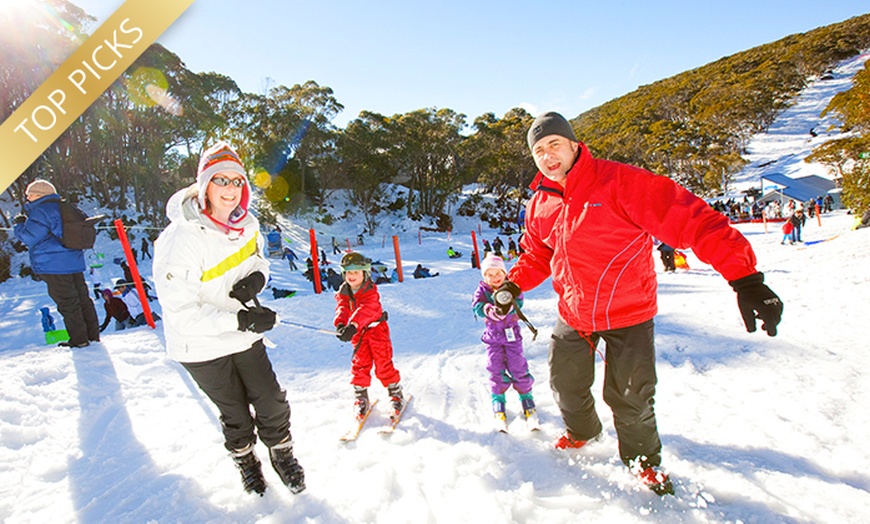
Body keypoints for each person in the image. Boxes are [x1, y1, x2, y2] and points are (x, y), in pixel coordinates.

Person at [505, 112, 783, 496]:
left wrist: (746, 279)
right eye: (539, 150)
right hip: (574, 311)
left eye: (554, 144)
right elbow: (537, 254)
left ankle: (642, 461)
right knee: (564, 383)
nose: (548, 156)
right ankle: (583, 431)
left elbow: (694, 221)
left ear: (573, 144)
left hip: (628, 312)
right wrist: (511, 285)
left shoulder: (620, 182)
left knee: (632, 396)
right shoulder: (540, 203)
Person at [152, 141, 304, 496]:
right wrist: (239, 322)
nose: (230, 190)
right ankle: (246, 461)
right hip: (200, 344)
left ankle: (281, 451)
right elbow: (182, 313)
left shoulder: (247, 225)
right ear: (204, 186)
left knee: (270, 397)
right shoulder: (180, 238)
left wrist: (257, 278)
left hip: (240, 328)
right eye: (221, 180)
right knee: (234, 411)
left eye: (237, 182)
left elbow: (259, 260)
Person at [13, 179, 100, 348]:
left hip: (53, 264)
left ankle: (79, 340)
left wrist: (19, 224)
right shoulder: (66, 207)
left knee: (68, 302)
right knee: (83, 299)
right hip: (74, 261)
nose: (27, 197)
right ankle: (92, 337)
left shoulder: (41, 211)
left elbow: (29, 237)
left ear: (39, 195)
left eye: (29, 194)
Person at [333, 252, 405, 422]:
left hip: (376, 331)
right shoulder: (344, 291)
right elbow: (342, 307)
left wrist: (354, 325)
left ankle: (395, 392)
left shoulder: (370, 291)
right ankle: (361, 396)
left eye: (356, 272)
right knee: (360, 363)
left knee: (383, 363)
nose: (352, 276)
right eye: (349, 273)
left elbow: (367, 309)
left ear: (364, 273)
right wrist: (341, 324)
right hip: (358, 334)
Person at [472, 254, 537, 430]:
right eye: (489, 275)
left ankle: (527, 399)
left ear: (504, 272)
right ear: (484, 277)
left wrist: (509, 307)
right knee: (495, 367)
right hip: (493, 337)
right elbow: (476, 305)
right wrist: (487, 309)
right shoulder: (483, 290)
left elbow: (520, 300)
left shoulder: (511, 287)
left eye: (498, 273)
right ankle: (498, 401)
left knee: (518, 366)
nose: (495, 278)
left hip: (511, 335)